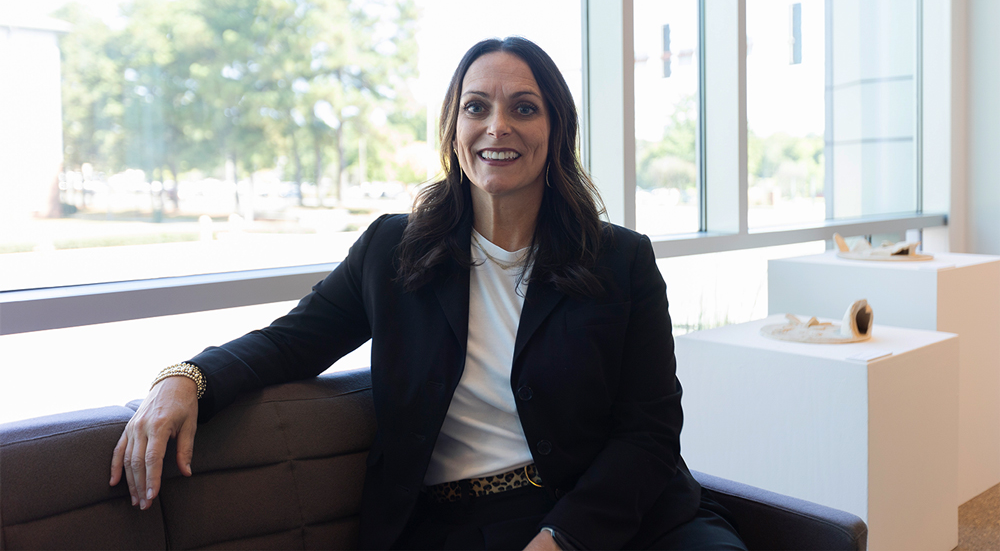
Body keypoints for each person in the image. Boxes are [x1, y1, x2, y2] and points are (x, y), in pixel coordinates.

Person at [110, 37, 746, 551]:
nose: (498, 126)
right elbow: (290, 342)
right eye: (477, 107)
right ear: (454, 127)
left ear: (555, 130)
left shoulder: (619, 259)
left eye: (524, 107)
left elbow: (651, 431)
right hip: (456, 527)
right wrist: (184, 379)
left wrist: (564, 539)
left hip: (616, 518)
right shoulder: (394, 251)